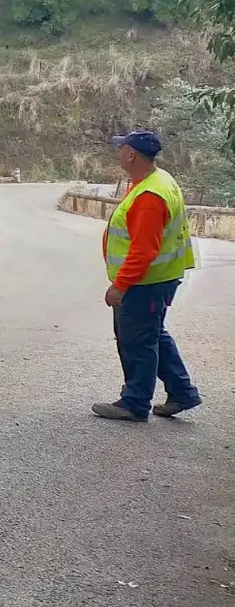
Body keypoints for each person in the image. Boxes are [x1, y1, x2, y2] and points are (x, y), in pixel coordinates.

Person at [91, 129, 200, 422]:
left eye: (121, 148)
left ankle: (134, 403)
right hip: (158, 279)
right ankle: (182, 392)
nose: (118, 153)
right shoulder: (155, 181)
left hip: (145, 282)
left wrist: (120, 285)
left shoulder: (150, 195)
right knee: (152, 335)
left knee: (137, 341)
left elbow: (143, 249)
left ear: (131, 155)